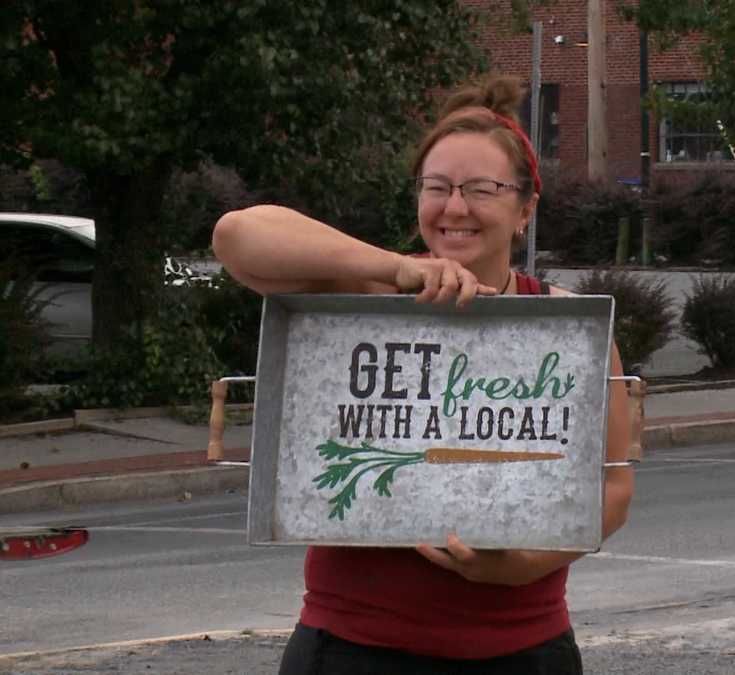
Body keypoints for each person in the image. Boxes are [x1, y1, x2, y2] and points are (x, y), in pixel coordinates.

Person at [212, 76, 635, 674]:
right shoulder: (370, 291)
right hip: (354, 650)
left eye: (482, 189)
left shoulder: (570, 326)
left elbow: (612, 488)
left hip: (523, 652)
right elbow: (237, 236)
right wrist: (397, 272)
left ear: (525, 208)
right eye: (437, 188)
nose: (455, 207)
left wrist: (521, 564)